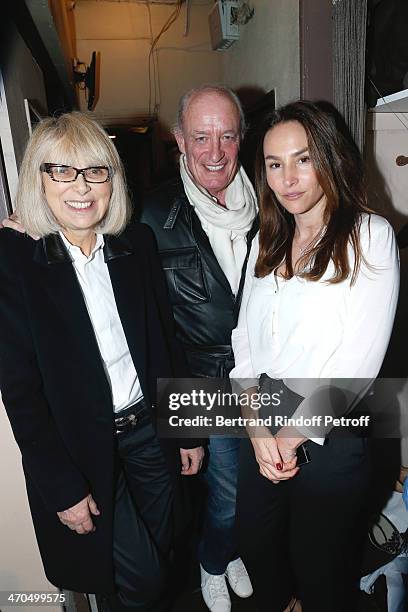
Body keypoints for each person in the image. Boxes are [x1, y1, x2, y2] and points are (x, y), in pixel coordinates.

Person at [0, 111, 204, 612]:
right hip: (81, 448)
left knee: (161, 549)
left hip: (149, 432)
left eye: (96, 171)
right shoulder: (19, 262)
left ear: (113, 178)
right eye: (62, 171)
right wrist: (60, 485)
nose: (81, 186)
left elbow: (164, 344)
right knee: (142, 575)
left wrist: (189, 428)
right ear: (38, 179)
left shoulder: (136, 245)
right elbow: (20, 391)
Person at [230, 100, 400, 612]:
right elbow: (243, 343)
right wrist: (258, 428)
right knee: (256, 549)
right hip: (262, 423)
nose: (288, 178)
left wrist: (288, 437)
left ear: (330, 156)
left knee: (320, 572)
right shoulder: (266, 238)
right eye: (275, 164)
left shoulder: (368, 236)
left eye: (303, 159)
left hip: (329, 434)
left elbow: (358, 365)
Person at [140, 85, 255, 612]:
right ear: (180, 140)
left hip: (269, 376)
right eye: (202, 136)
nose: (215, 152)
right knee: (229, 493)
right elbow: (150, 328)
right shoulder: (149, 215)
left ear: (241, 138)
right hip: (207, 384)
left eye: (226, 136)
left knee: (261, 485)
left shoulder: (270, 201)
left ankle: (228, 548)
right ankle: (214, 560)